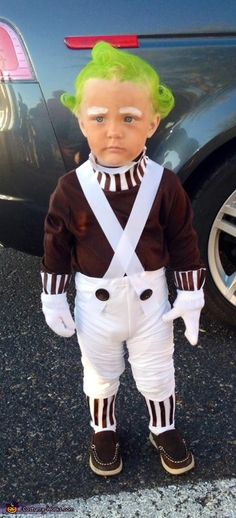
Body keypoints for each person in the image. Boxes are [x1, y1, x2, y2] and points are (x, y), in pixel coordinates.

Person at [41, 42, 206, 477]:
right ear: (81, 120)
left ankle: (163, 426)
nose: (114, 130)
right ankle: (103, 428)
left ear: (152, 123)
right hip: (95, 305)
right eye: (99, 118)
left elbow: (185, 239)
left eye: (129, 118)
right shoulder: (70, 189)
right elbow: (55, 244)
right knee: (99, 372)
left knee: (157, 370)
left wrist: (191, 295)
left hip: (153, 304)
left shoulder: (164, 185)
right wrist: (53, 298)